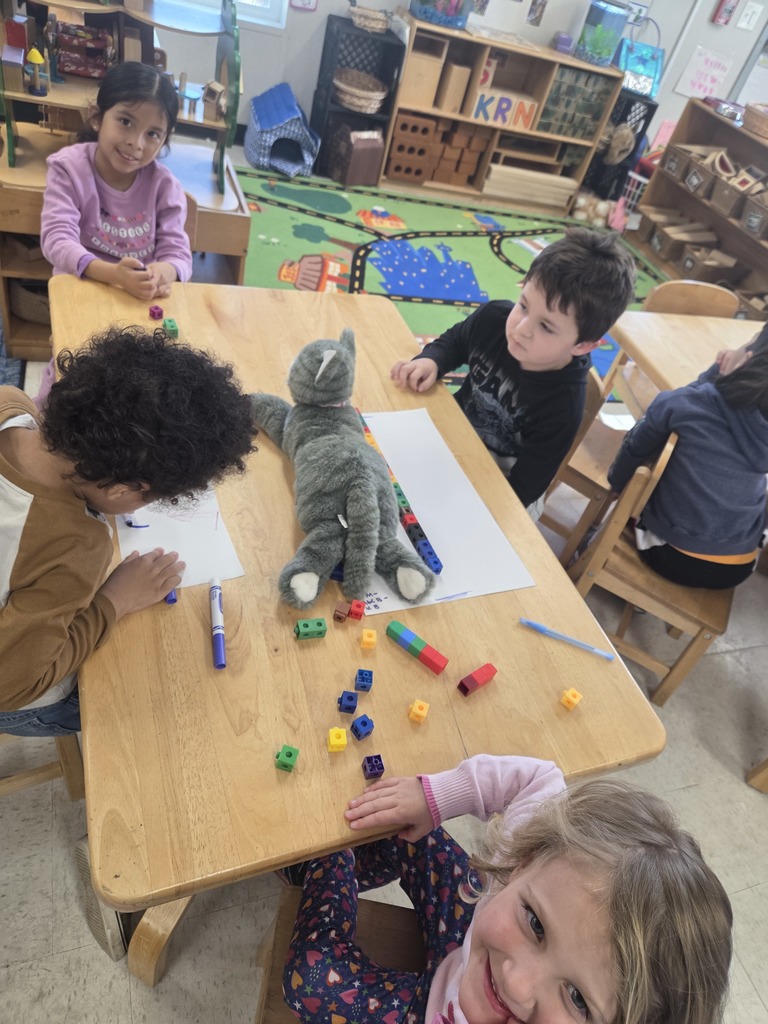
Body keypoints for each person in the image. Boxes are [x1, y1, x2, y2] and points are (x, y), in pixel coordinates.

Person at [280, 754, 732, 1024]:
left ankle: (328, 861)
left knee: (311, 978)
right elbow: (539, 778)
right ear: (524, 864)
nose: (514, 985)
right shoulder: (550, 863)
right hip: (464, 934)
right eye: (535, 922)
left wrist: (331, 853)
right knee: (410, 825)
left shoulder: (546, 890)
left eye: (578, 999)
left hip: (424, 1009)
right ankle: (335, 861)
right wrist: (436, 796)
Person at [0, 324, 256, 737]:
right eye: (149, 498)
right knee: (132, 703)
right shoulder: (76, 548)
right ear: (121, 489)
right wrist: (113, 601)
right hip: (14, 698)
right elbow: (12, 684)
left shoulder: (9, 402)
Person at [389, 228, 636, 517]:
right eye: (523, 305)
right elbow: (455, 342)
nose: (520, 329)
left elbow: (524, 489)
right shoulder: (494, 319)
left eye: (545, 326)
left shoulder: (564, 405)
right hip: (455, 433)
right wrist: (431, 361)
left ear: (582, 346)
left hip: (504, 479)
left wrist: (465, 503)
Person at [36, 61, 192, 404]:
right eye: (125, 122)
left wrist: (162, 272)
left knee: (133, 393)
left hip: (136, 301)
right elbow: (56, 239)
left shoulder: (165, 186)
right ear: (97, 117)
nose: (136, 143)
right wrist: (112, 274)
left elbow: (178, 254)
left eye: (153, 133)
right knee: (68, 382)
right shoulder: (69, 167)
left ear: (164, 140)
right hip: (81, 291)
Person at [607, 341, 768, 589]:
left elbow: (636, 448)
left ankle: (598, 557)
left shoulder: (690, 402)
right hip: (739, 567)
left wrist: (616, 483)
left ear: (745, 360)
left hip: (670, 555)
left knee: (641, 490)